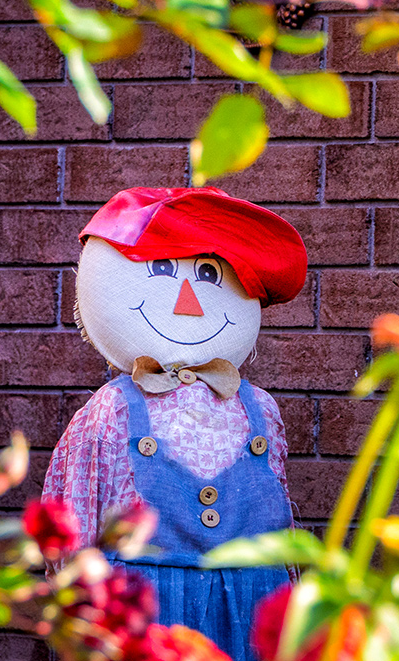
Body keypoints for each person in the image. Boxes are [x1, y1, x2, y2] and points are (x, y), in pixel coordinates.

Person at [42, 186, 309, 661]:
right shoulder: (112, 411)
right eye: (163, 271)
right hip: (149, 616)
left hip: (255, 611)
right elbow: (74, 521)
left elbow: (283, 523)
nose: (187, 299)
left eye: (208, 275)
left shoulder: (260, 410)